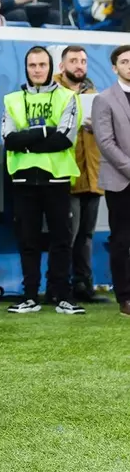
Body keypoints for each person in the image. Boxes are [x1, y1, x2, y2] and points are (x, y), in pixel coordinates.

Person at [2, 47, 84, 315]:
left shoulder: (68, 97)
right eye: (32, 65)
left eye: (42, 65)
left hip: (57, 178)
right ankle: (29, 296)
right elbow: (9, 139)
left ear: (52, 67)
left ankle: (61, 295)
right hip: (23, 179)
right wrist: (45, 132)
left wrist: (27, 140)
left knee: (62, 239)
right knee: (28, 240)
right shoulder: (12, 99)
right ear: (26, 68)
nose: (37, 70)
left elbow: (64, 139)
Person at [55, 46, 106, 303]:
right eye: (73, 60)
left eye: (83, 61)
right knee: (67, 236)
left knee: (86, 235)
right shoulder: (54, 94)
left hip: (93, 175)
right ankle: (60, 287)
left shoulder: (94, 95)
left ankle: (84, 285)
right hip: (67, 175)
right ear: (62, 65)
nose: (79, 65)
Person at [92, 45, 130, 317]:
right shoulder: (104, 99)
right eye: (125, 61)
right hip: (121, 181)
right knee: (122, 241)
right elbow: (105, 142)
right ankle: (125, 297)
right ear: (115, 68)